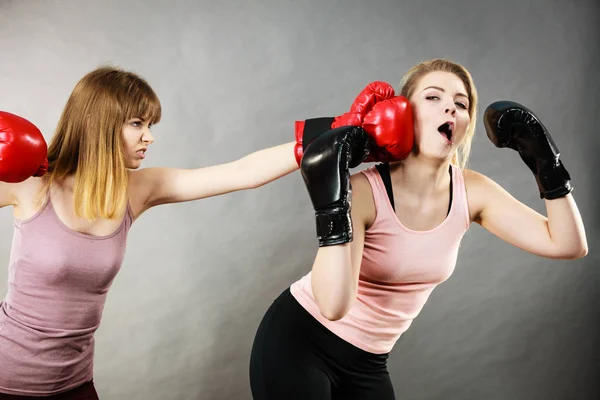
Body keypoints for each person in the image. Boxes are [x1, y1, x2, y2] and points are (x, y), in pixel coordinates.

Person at [248, 58, 588, 400]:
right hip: (299, 341)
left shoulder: (473, 191)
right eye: (433, 98)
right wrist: (333, 204)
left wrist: (547, 163)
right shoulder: (366, 191)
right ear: (402, 113)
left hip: (368, 362)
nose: (450, 109)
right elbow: (333, 306)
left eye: (460, 103)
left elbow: (568, 244)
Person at [0, 66, 301, 399]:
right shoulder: (31, 184)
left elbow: (243, 172)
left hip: (75, 385)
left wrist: (331, 133)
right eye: (137, 124)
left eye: (149, 125)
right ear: (101, 122)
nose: (149, 136)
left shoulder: (138, 189)